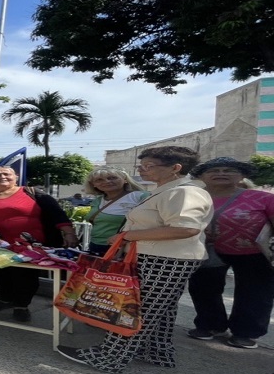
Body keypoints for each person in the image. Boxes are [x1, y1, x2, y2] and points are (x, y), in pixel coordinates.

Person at [57, 146, 213, 373]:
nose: (142, 170)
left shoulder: (184, 192)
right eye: (141, 165)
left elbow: (186, 228)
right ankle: (156, 352)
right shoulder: (168, 189)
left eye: (149, 166)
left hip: (166, 259)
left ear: (175, 168)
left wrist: (127, 235)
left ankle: (109, 357)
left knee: (139, 310)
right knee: (160, 310)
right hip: (158, 256)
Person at [0, 166, 77, 322]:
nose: (1, 177)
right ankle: (5, 300)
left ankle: (21, 306)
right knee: (0, 272)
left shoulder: (32, 193)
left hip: (29, 246)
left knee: (25, 275)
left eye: (6, 174)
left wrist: (69, 233)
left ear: (16, 177)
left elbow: (57, 214)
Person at [186, 157, 274, 349]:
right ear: (201, 176)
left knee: (254, 293)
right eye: (214, 170)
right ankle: (210, 326)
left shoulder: (263, 198)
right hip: (206, 250)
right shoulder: (191, 197)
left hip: (254, 254)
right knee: (203, 289)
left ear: (242, 176)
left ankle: (245, 332)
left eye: (228, 170)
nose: (221, 173)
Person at [83, 167, 149, 256]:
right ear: (93, 184)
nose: (106, 181)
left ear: (125, 179)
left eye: (112, 178)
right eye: (99, 180)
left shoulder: (140, 196)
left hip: (123, 248)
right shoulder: (97, 201)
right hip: (95, 246)